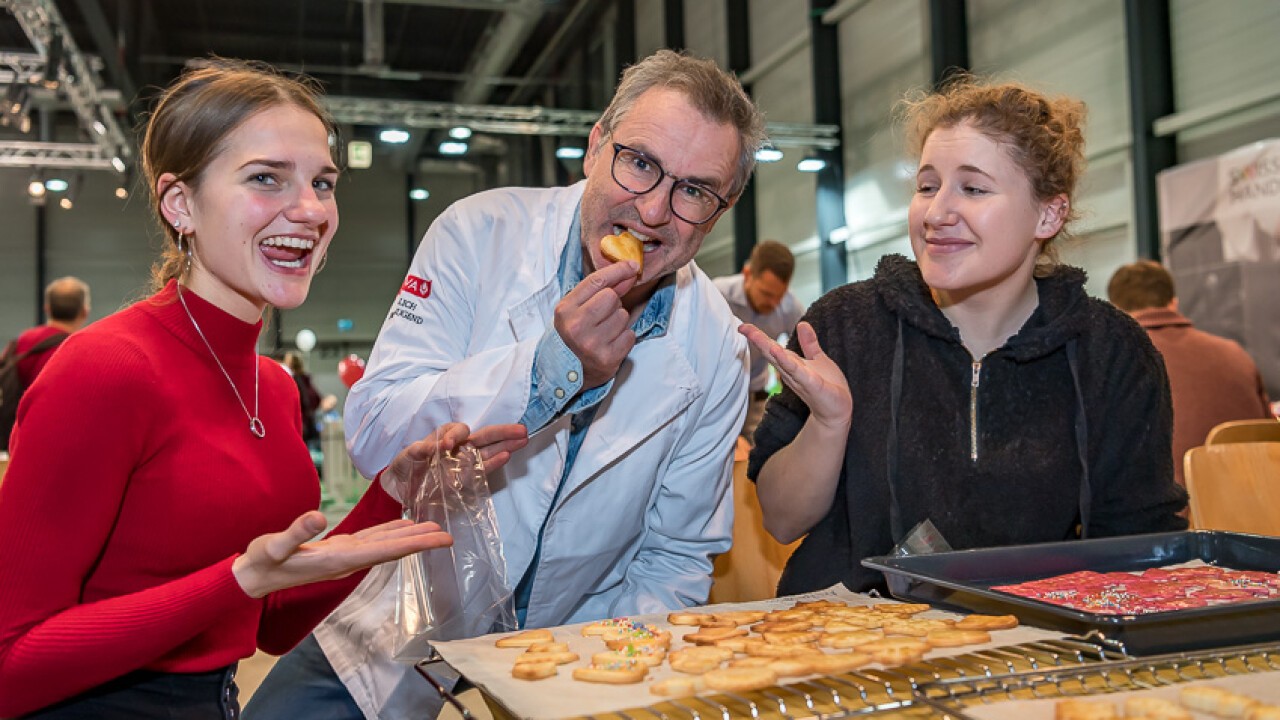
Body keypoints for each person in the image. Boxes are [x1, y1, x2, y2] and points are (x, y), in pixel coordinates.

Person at [246, 48, 763, 719]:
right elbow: (375, 431)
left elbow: (675, 556)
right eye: (639, 163)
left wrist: (615, 681)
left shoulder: (717, 348)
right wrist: (549, 368)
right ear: (595, 145)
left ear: (719, 213)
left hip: (581, 637)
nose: (655, 210)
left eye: (694, 191)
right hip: (404, 604)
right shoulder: (479, 233)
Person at [0, 60, 526, 719]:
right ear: (180, 204)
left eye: (322, 182)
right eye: (265, 179)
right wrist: (237, 579)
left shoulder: (272, 388)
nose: (310, 210)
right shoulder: (103, 369)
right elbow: (10, 662)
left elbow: (271, 626)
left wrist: (391, 494)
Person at [742, 78, 1189, 597]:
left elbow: (1140, 548)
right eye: (927, 186)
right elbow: (779, 519)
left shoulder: (1110, 353)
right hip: (850, 643)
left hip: (1030, 644)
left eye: (973, 189)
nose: (936, 213)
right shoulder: (844, 326)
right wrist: (828, 422)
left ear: (1049, 213)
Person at [1107, 260, 1272, 487]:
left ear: (1115, 310)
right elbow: (1271, 435)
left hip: (1170, 517)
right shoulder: (1235, 353)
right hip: (1260, 508)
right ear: (1174, 303)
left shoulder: (1116, 360)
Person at [714, 240, 805, 444]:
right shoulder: (717, 295)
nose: (773, 303)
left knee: (756, 457)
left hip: (754, 400)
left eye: (779, 297)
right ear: (747, 274)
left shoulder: (790, 308)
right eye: (766, 294)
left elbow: (804, 354)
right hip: (716, 395)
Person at [0, 277, 91, 450]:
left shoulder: (21, 342)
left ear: (47, 308)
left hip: (13, 438)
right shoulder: (76, 351)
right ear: (84, 312)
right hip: (46, 443)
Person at [283, 350, 323, 449]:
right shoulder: (306, 380)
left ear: (290, 363)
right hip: (308, 423)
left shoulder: (292, 381)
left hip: (299, 424)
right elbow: (317, 399)